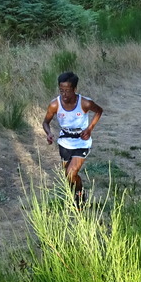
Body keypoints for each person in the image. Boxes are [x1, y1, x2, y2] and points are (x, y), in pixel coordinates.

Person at [42, 72, 103, 205]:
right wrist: (49, 133)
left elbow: (99, 111)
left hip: (82, 141)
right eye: (61, 90)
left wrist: (89, 129)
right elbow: (45, 122)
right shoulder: (55, 104)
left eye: (67, 91)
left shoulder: (85, 103)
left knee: (71, 172)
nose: (64, 94)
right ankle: (75, 195)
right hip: (65, 142)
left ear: (75, 89)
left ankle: (80, 200)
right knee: (68, 176)